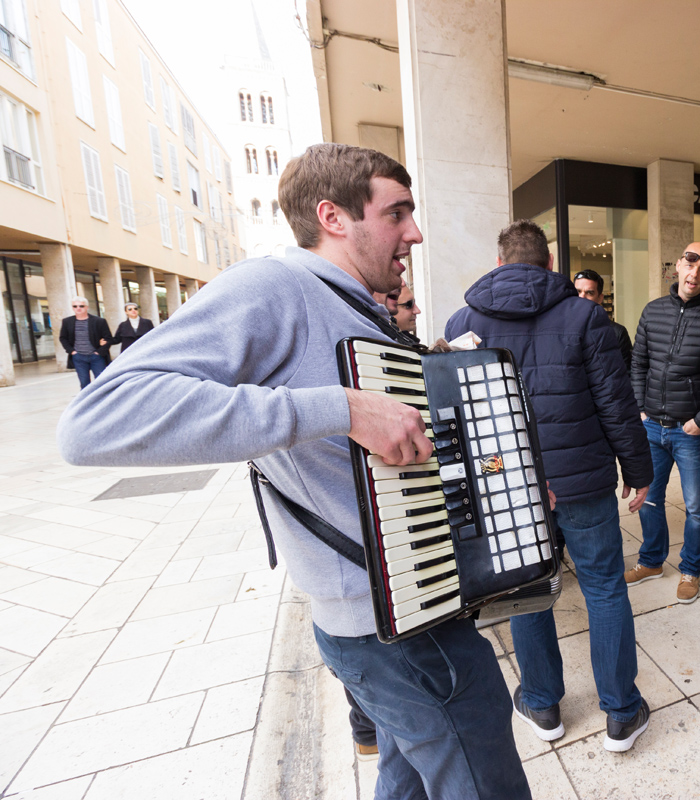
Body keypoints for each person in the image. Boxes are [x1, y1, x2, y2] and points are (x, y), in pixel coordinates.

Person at [56, 143, 532, 800]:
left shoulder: (357, 304)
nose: (415, 234)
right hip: (388, 630)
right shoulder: (276, 286)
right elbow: (93, 422)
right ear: (333, 216)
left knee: (408, 781)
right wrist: (343, 407)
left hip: (411, 605)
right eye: (398, 214)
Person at [446, 220, 655, 753]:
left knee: (526, 590)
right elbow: (617, 403)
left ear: (499, 265)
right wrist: (640, 471)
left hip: (507, 488)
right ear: (549, 266)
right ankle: (621, 714)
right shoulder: (586, 315)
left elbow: (460, 420)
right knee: (605, 588)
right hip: (581, 481)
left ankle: (541, 703)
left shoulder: (463, 320)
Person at [624, 242, 700, 602]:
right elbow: (638, 364)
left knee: (696, 506)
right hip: (651, 427)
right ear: (678, 265)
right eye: (690, 262)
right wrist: (640, 408)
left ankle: (690, 569)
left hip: (690, 431)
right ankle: (652, 560)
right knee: (650, 499)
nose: (695, 271)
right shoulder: (653, 311)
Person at [574, 269, 632, 372]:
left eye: (589, 293)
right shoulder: (558, 329)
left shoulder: (617, 333)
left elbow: (626, 373)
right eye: (578, 291)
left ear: (600, 298)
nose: (582, 297)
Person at [58, 297, 111, 388]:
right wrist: (72, 351)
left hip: (96, 357)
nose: (78, 308)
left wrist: (99, 352)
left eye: (81, 306)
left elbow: (108, 338)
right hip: (79, 357)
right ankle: (88, 402)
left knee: (101, 382)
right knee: (84, 383)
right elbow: (63, 338)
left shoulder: (99, 321)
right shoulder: (67, 322)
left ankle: (103, 401)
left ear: (87, 307)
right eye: (75, 306)